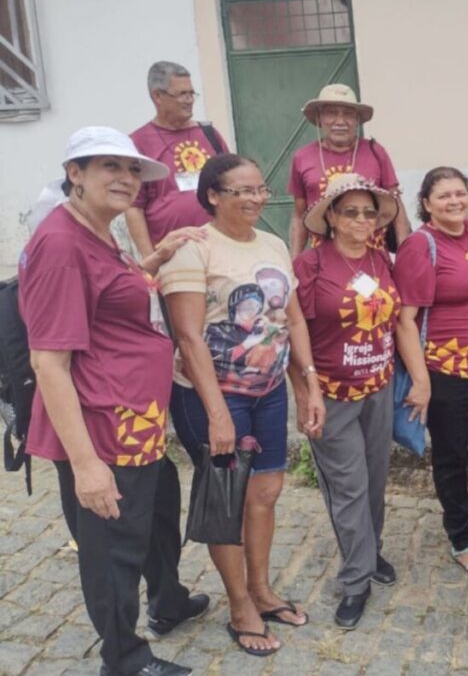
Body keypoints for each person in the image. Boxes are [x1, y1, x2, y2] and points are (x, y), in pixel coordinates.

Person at [20, 126, 210, 676]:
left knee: (155, 522)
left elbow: (108, 296)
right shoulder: (60, 245)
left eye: (133, 171)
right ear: (74, 174)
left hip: (137, 419)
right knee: (114, 548)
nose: (126, 179)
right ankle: (123, 659)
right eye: (110, 167)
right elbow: (48, 363)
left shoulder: (97, 231)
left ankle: (167, 600)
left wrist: (156, 258)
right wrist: (86, 467)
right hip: (103, 429)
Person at [160, 153, 325, 657]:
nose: (257, 198)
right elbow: (189, 337)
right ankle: (239, 605)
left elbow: (292, 320)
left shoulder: (274, 243)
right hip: (212, 397)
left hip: (269, 392)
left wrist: (308, 383)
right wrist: (215, 414)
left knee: (267, 492)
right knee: (226, 500)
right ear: (213, 195)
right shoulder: (195, 249)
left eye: (260, 189)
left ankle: (260, 586)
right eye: (243, 191)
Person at [293, 174, 416, 630]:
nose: (362, 220)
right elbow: (296, 329)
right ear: (330, 218)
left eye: (369, 212)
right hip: (332, 393)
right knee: (348, 488)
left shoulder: (381, 259)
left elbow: (396, 321)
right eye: (351, 212)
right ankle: (355, 580)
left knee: (375, 480)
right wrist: (306, 392)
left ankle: (371, 550)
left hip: (378, 387)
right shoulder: (310, 265)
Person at [393, 166, 468, 579]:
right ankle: (461, 537)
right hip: (447, 373)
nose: (454, 201)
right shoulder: (419, 245)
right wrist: (421, 381)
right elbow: (405, 320)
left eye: (460, 193)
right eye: (444, 196)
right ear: (426, 203)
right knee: (451, 457)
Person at [288, 84, 411, 257]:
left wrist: (406, 255)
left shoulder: (375, 151)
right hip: (323, 257)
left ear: (357, 120)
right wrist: (294, 260)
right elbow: (299, 214)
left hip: (372, 255)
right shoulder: (302, 157)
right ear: (319, 117)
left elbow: (396, 206)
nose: (340, 121)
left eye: (348, 114)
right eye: (331, 113)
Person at [127, 61, 230, 258]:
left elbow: (233, 186)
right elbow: (134, 207)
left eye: (192, 93)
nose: (189, 100)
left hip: (220, 250)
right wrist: (151, 260)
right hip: (172, 254)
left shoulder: (209, 134)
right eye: (182, 94)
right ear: (157, 96)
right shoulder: (138, 142)